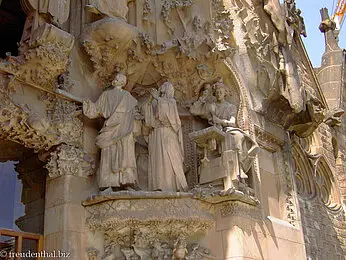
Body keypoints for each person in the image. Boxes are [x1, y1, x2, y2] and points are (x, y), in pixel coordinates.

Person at [83, 73, 138, 190]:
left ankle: (125, 182)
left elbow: (96, 110)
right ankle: (110, 183)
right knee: (117, 153)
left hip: (125, 130)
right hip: (116, 129)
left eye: (121, 79)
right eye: (118, 78)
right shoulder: (107, 95)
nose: (118, 80)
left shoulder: (126, 96)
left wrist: (88, 105)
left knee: (123, 154)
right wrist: (87, 104)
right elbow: (96, 109)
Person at [143, 82, 188, 192]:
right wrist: (150, 100)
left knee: (168, 158)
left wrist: (157, 98)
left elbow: (168, 116)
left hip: (167, 132)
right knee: (157, 159)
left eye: (164, 85)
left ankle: (169, 186)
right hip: (155, 133)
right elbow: (147, 114)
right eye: (161, 85)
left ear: (168, 88)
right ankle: (158, 185)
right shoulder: (156, 100)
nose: (161, 86)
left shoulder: (171, 101)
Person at [209, 82, 258, 180]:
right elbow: (208, 117)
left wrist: (221, 121)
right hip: (217, 129)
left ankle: (241, 166)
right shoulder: (212, 106)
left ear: (225, 93)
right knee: (233, 137)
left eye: (221, 92)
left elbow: (232, 122)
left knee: (239, 136)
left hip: (228, 128)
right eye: (217, 92)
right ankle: (235, 169)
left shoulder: (231, 107)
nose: (219, 94)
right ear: (214, 94)